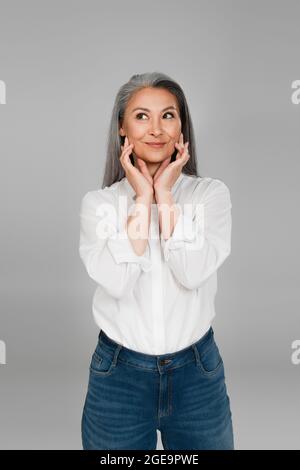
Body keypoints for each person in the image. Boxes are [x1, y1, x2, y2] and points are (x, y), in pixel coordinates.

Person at [79, 72, 234, 450]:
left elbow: (192, 272)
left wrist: (164, 195)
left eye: (168, 115)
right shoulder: (98, 205)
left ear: (182, 127)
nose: (156, 129)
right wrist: (142, 200)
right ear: (122, 128)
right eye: (141, 116)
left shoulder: (210, 195)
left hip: (196, 371)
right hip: (119, 375)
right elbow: (118, 282)